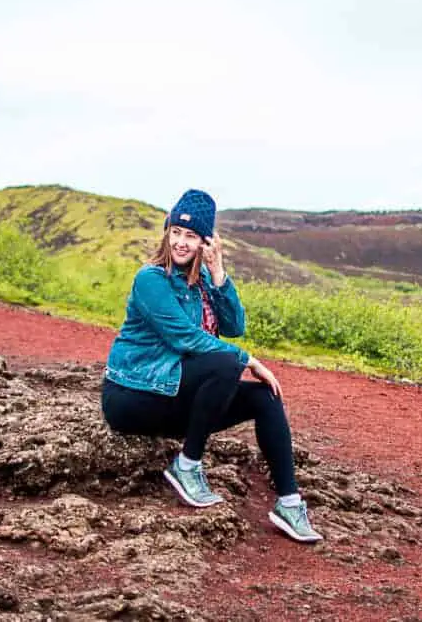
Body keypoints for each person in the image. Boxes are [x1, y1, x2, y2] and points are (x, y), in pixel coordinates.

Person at [101, 189, 322, 543]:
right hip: (133, 395)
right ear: (166, 232)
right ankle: (187, 466)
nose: (181, 242)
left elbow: (234, 326)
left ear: (205, 242)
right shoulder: (150, 280)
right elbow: (185, 338)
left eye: (191, 236)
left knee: (265, 398)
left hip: (173, 396)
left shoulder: (202, 284)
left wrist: (218, 274)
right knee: (224, 363)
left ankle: (289, 502)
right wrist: (247, 359)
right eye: (176, 232)